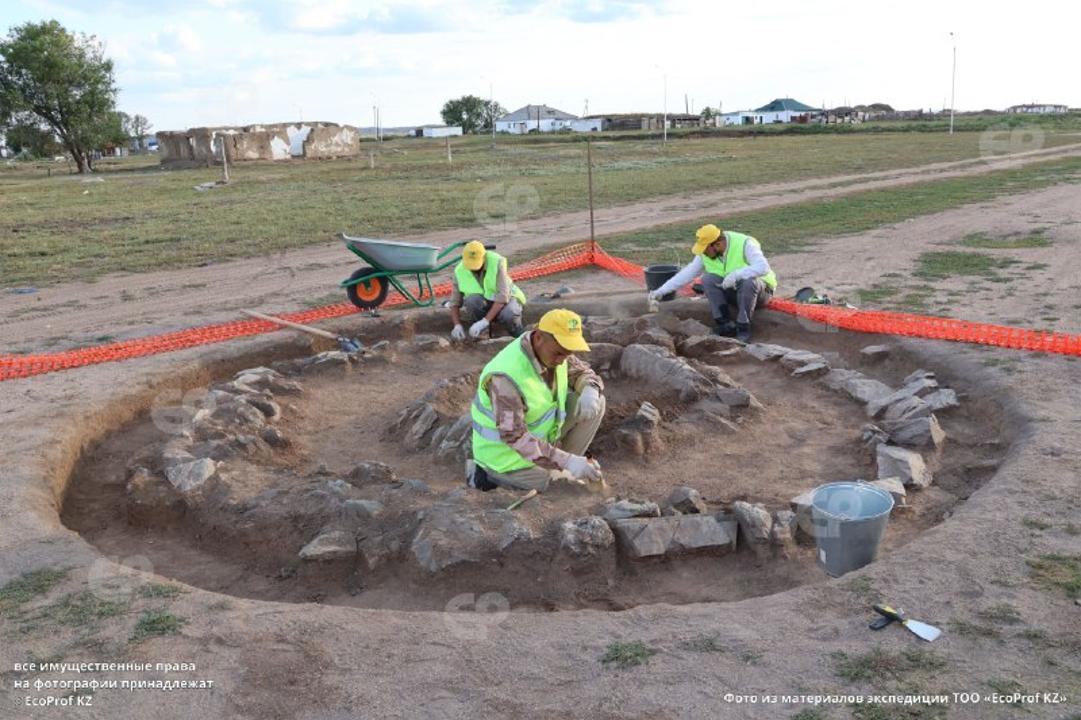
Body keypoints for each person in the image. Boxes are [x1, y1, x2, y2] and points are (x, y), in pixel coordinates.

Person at [467, 309, 606, 492]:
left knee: (597, 402)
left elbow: (582, 372)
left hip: (540, 437)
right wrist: (568, 462)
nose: (562, 360)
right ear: (539, 337)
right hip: (506, 457)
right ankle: (483, 476)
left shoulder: (552, 350)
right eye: (558, 353)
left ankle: (564, 463)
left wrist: (590, 389)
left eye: (567, 353)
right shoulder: (506, 378)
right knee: (559, 487)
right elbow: (515, 437)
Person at [648, 223, 777, 343]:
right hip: (734, 291)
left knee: (749, 283)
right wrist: (661, 291)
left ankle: (743, 329)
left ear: (717, 244)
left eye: (705, 249)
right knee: (708, 279)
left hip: (760, 292)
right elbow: (688, 273)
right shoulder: (707, 252)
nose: (703, 253)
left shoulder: (744, 243)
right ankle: (725, 325)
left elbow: (763, 267)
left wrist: (737, 275)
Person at [450, 241, 527, 340]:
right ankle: (482, 335)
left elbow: (503, 296)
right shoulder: (460, 270)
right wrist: (457, 325)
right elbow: (454, 302)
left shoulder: (497, 262)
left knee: (509, 313)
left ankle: (517, 334)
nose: (473, 269)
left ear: (484, 257)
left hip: (508, 299)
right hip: (485, 302)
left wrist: (484, 321)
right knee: (471, 301)